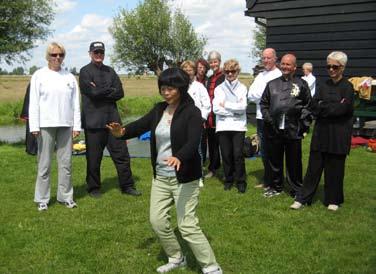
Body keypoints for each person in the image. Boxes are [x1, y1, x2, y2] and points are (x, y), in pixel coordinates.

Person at [106, 68, 222, 274]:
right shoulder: (159, 109)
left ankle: (211, 267)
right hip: (161, 176)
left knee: (187, 226)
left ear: (181, 88)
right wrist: (121, 132)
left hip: (184, 178)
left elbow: (194, 139)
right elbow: (139, 125)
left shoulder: (192, 112)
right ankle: (177, 258)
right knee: (157, 221)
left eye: (170, 88)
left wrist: (180, 156)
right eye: (163, 89)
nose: (166, 93)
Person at [290, 51, 354, 211]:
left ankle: (333, 200)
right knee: (313, 168)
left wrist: (324, 106)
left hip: (338, 134)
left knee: (335, 168)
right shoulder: (323, 85)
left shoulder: (348, 87)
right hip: (321, 133)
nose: (331, 69)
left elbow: (343, 109)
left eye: (335, 66)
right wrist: (330, 106)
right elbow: (313, 105)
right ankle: (303, 198)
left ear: (342, 68)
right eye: (328, 66)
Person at [79, 41, 140, 198]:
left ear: (104, 53)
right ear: (90, 53)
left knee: (122, 155)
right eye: (96, 52)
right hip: (93, 122)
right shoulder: (84, 72)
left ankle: (127, 186)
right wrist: (107, 90)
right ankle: (94, 188)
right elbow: (91, 93)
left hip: (113, 122)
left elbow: (120, 92)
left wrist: (99, 90)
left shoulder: (111, 71)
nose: (99, 55)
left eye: (101, 52)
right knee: (93, 158)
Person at [29, 42, 81, 211]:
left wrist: (76, 126)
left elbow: (75, 104)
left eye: (60, 55)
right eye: (54, 55)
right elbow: (34, 103)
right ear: (48, 56)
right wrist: (34, 126)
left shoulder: (70, 77)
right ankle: (42, 199)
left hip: (66, 125)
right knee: (44, 164)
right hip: (45, 125)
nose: (57, 58)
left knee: (66, 164)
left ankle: (65, 196)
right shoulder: (38, 75)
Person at [260, 53, 312, 198]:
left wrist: (303, 124)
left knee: (294, 161)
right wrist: (269, 119)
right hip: (274, 129)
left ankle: (296, 189)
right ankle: (276, 187)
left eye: (288, 64)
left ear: (295, 67)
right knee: (274, 160)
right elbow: (263, 104)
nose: (285, 67)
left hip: (293, 129)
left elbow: (308, 106)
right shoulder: (271, 84)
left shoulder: (301, 84)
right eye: (283, 63)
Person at [247, 48, 282, 189]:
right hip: (260, 117)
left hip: (273, 118)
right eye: (264, 58)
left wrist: (263, 96)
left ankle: (276, 180)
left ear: (275, 59)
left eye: (269, 58)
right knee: (264, 150)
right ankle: (268, 179)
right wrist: (265, 96)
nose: (266, 60)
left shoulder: (278, 75)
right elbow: (251, 95)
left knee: (274, 150)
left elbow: (275, 98)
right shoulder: (260, 76)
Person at [213, 59, 248, 193]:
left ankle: (241, 181)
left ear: (237, 72)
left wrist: (226, 104)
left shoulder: (242, 87)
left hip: (239, 126)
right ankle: (228, 179)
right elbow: (216, 109)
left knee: (238, 155)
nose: (230, 74)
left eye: (233, 71)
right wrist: (234, 109)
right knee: (226, 155)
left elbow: (242, 107)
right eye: (227, 71)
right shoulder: (219, 88)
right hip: (223, 126)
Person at [181, 60, 211, 187]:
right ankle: (184, 174)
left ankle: (199, 176)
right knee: (181, 149)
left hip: (196, 123)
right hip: (181, 123)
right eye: (185, 70)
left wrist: (201, 119)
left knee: (197, 150)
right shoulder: (178, 86)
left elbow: (207, 105)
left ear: (194, 72)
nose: (188, 72)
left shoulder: (199, 86)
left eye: (191, 70)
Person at [205, 51, 225, 178]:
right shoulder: (210, 78)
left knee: (224, 145)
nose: (213, 64)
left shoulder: (224, 76)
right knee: (212, 145)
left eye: (215, 61)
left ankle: (227, 170)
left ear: (219, 61)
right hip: (210, 116)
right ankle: (213, 168)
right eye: (211, 62)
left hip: (221, 116)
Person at [196, 58, 210, 164]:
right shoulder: (192, 81)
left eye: (203, 67)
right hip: (195, 112)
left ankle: (203, 160)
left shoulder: (208, 81)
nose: (201, 69)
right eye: (199, 67)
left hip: (206, 112)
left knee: (204, 139)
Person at [20, 83, 38, 155]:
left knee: (31, 131)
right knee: (31, 131)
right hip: (31, 111)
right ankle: (31, 149)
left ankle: (32, 148)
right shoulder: (33, 84)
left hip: (31, 110)